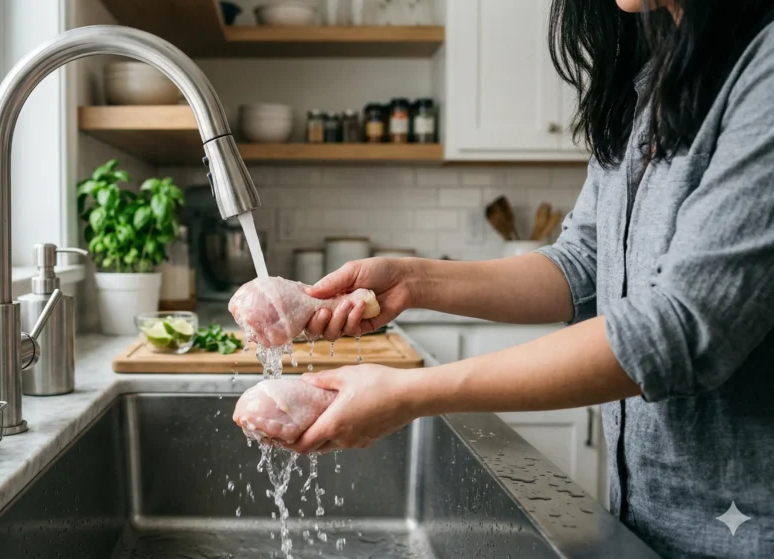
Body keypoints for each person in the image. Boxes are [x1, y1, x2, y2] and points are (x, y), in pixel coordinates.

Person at [290, 1, 774, 557]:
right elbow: (583, 264)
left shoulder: (763, 69)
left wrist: (410, 393)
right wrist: (413, 280)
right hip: (643, 528)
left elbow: (680, 327)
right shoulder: (650, 80)